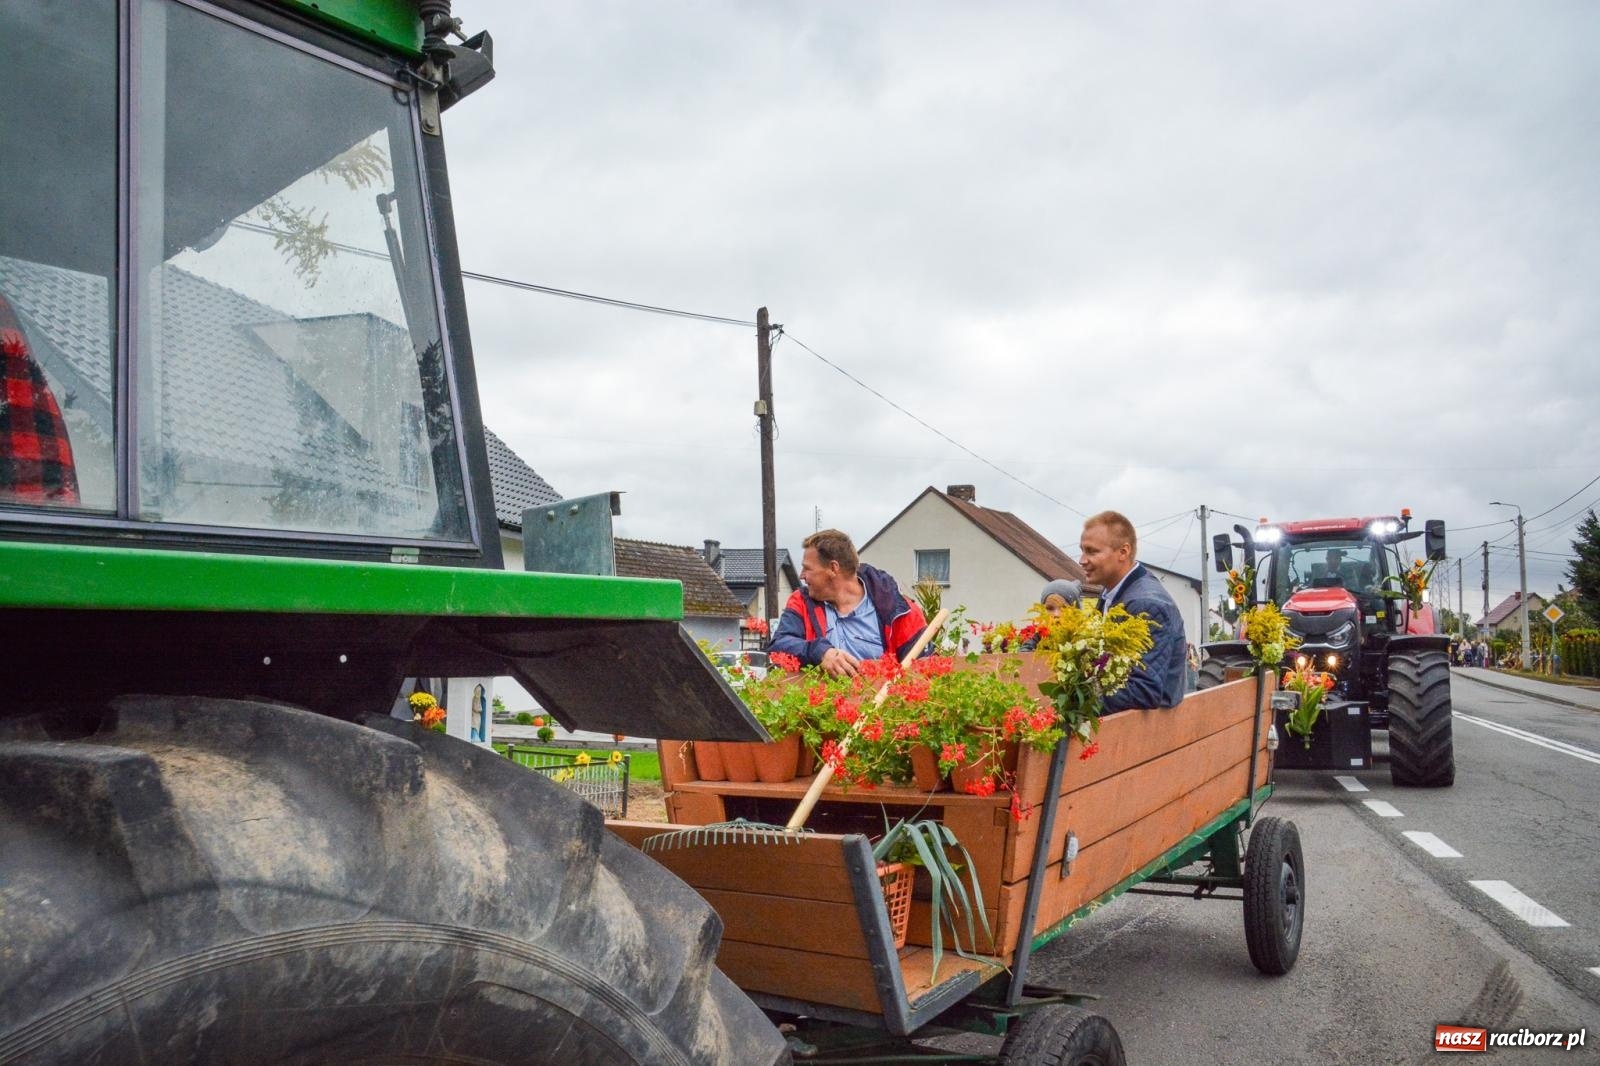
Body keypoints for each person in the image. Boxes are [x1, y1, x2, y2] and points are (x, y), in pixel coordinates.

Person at [769, 528, 928, 678]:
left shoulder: (899, 609)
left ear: (833, 568)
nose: (802, 576)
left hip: (884, 704)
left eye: (807, 569)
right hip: (818, 705)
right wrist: (820, 652)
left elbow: (925, 669)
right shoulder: (801, 602)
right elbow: (778, 647)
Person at [1078, 510, 1187, 713]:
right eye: (1082, 550)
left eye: (1092, 551)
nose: (1082, 560)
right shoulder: (1112, 593)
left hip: (1148, 734)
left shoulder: (1147, 604)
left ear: (1123, 552)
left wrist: (1076, 698)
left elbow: (1145, 690)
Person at [1019, 578, 1082, 651]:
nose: (1056, 614)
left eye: (1064, 608)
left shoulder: (1083, 637)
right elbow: (1025, 652)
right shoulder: (1038, 636)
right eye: (1050, 608)